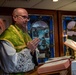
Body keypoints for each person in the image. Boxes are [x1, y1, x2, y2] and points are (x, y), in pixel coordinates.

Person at [0, 8, 40, 75]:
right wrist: (29, 49)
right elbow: (10, 65)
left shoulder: (26, 35)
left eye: (28, 18)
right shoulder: (7, 36)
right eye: (24, 17)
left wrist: (33, 51)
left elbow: (33, 54)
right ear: (15, 18)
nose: (27, 20)